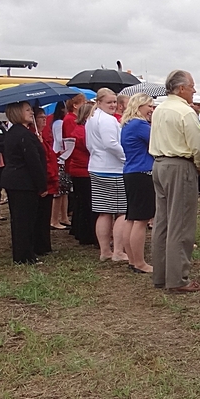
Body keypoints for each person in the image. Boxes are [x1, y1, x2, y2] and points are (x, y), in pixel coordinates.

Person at [149, 70, 200, 293]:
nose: (194, 90)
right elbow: (197, 145)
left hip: (159, 164)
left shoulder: (160, 109)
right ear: (181, 88)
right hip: (179, 166)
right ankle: (178, 278)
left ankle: (161, 275)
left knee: (162, 222)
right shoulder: (185, 112)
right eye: (192, 86)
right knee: (181, 224)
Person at [85, 88, 130, 262]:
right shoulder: (107, 120)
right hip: (112, 169)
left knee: (104, 211)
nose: (112, 105)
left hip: (96, 166)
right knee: (121, 212)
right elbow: (111, 143)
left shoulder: (92, 118)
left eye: (114, 102)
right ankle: (118, 251)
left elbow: (90, 144)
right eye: (109, 102)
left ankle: (105, 250)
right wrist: (126, 158)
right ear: (99, 102)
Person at [1, 102, 48, 265]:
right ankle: (24, 256)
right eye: (27, 110)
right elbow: (33, 162)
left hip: (16, 181)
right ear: (17, 113)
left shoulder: (16, 132)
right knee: (24, 220)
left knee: (21, 219)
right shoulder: (23, 134)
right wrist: (42, 185)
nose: (31, 113)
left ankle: (24, 253)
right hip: (23, 182)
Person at [120, 93, 155, 274]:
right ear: (139, 106)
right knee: (141, 220)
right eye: (149, 106)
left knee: (132, 217)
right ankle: (140, 262)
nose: (152, 109)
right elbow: (157, 142)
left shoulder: (127, 124)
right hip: (143, 173)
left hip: (131, 172)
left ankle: (133, 260)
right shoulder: (140, 125)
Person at [64, 101, 97, 245]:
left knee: (81, 202)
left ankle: (79, 230)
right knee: (88, 204)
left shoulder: (78, 129)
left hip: (78, 169)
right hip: (84, 170)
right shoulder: (84, 132)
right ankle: (87, 234)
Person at [33, 108, 56, 256]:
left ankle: (45, 244)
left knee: (46, 214)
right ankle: (40, 245)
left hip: (51, 179)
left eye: (44, 117)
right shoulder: (34, 137)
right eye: (40, 117)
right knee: (41, 215)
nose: (44, 120)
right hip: (45, 179)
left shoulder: (42, 135)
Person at [48, 102, 70, 230]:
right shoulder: (59, 123)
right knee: (59, 192)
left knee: (64, 191)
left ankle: (64, 217)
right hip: (60, 157)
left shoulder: (58, 122)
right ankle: (54, 219)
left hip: (63, 157)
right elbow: (60, 139)